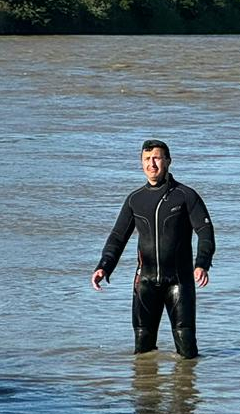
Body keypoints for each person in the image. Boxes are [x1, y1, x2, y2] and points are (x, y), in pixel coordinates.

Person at [92, 139, 215, 359]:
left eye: (157, 158)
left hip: (179, 282)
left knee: (187, 352)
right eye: (147, 159)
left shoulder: (186, 196)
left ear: (168, 161)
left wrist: (202, 264)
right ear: (141, 163)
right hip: (145, 283)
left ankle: (186, 391)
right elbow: (117, 237)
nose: (152, 164)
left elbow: (205, 232)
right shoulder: (135, 199)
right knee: (142, 354)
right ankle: (147, 391)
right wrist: (104, 266)